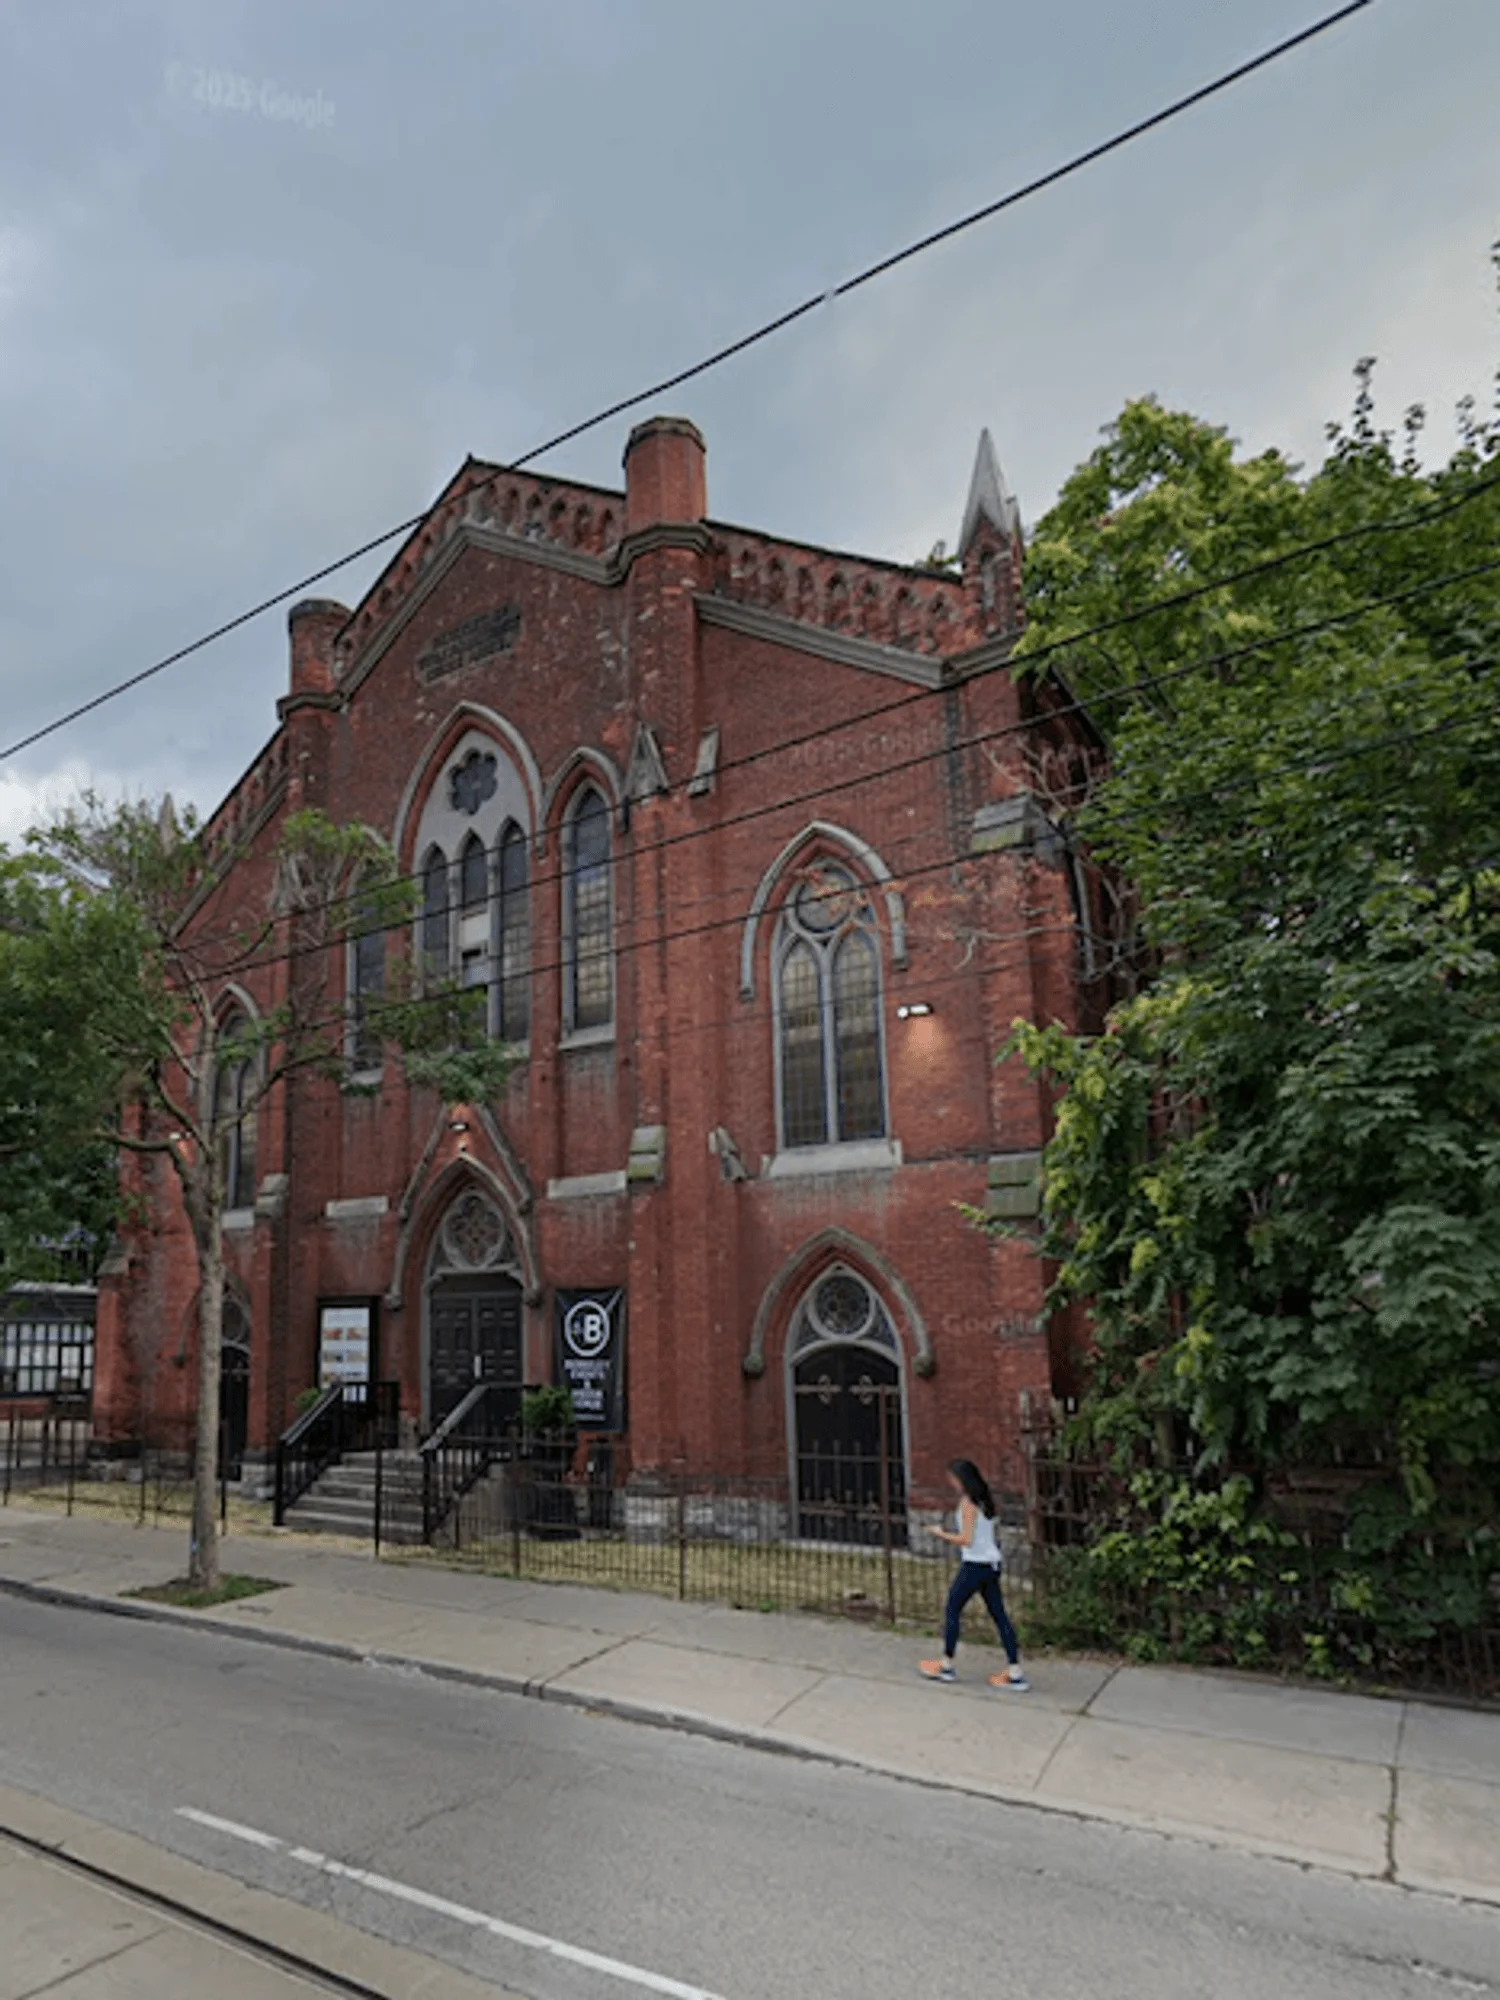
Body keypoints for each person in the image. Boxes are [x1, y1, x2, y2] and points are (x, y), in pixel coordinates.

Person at [919, 1458, 1029, 1689]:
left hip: (975, 1565)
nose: (952, 1483)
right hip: (991, 1564)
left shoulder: (968, 1504)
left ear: (962, 1480)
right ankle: (1015, 1671)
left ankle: (946, 1665)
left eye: (953, 1479)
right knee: (999, 1615)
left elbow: (966, 1540)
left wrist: (940, 1533)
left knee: (953, 1608)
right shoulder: (985, 1501)